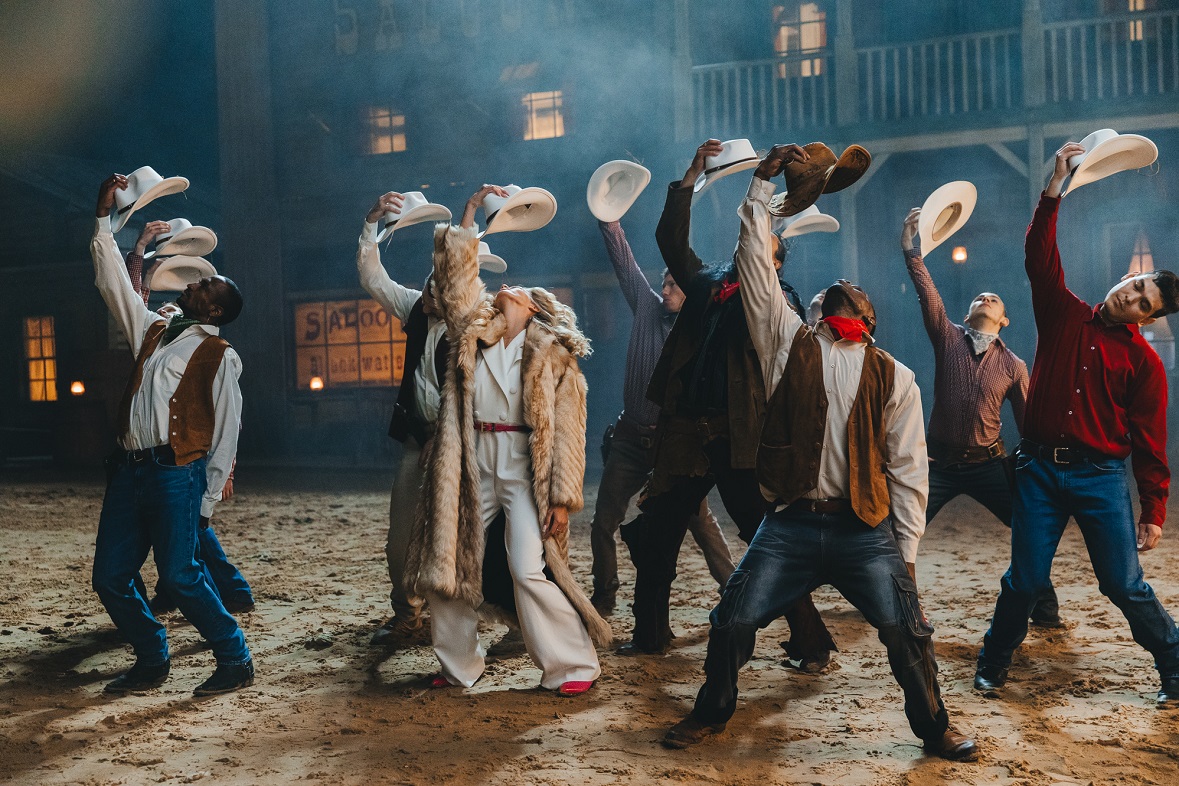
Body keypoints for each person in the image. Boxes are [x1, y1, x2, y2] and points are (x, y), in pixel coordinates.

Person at [661, 145, 977, 760]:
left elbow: (909, 471)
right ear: (814, 311)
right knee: (732, 618)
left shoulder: (896, 376)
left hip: (863, 527)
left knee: (907, 629)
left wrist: (907, 553)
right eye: (835, 291)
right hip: (790, 524)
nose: (844, 288)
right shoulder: (786, 344)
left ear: (870, 316)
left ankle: (934, 726)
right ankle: (712, 711)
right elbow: (755, 268)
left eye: (855, 292)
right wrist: (759, 186)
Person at [974, 142, 1179, 707]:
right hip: (1039, 471)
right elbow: (1039, 255)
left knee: (1123, 584)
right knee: (1024, 579)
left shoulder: (1143, 363)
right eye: (1135, 284)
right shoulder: (1061, 312)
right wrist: (1054, 187)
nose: (1131, 296)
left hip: (1100, 478)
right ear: (1127, 278)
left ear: (1149, 318)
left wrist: (1153, 510)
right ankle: (993, 661)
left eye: (1144, 302)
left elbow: (1151, 443)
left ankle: (1174, 664)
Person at [618, 139, 834, 665]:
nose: (749, 249)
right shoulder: (709, 281)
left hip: (742, 434)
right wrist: (692, 174)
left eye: (761, 248)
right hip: (687, 431)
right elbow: (669, 240)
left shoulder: (779, 299)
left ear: (773, 263)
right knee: (657, 533)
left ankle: (810, 640)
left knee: (766, 538)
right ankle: (650, 635)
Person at [403, 185, 609, 695]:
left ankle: (572, 666)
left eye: (519, 289)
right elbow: (455, 285)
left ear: (535, 308)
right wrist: (470, 214)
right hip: (471, 465)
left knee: (527, 568)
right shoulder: (473, 334)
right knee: (449, 567)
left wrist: (561, 499)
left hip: (523, 470)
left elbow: (569, 434)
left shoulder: (555, 356)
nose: (507, 287)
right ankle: (459, 667)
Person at [90, 173, 253, 696]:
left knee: (181, 575)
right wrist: (104, 222)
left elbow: (226, 432)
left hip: (176, 473)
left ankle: (235, 657)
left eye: (206, 285)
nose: (195, 282)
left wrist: (207, 498)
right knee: (109, 576)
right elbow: (114, 284)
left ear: (215, 310)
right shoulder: (155, 329)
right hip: (130, 468)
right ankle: (152, 655)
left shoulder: (219, 354)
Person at [899, 209, 1060, 627]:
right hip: (938, 464)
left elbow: (1029, 424)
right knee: (901, 530)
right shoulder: (947, 336)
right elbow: (928, 293)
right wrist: (911, 250)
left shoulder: (1014, 365)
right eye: (978, 298)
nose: (985, 298)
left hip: (989, 464)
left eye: (994, 299)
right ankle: (894, 603)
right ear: (967, 315)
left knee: (1028, 531)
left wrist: (1034, 470)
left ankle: (1045, 609)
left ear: (1004, 320)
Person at [589, 216, 735, 616]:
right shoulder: (646, 310)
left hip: (673, 447)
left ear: (691, 293)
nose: (665, 290)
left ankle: (734, 589)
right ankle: (604, 595)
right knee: (603, 520)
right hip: (630, 439)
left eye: (674, 285)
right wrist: (611, 223)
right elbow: (625, 265)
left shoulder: (702, 331)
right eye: (664, 283)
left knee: (700, 521)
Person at [122, 221, 254, 616]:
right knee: (182, 527)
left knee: (190, 526)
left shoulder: (196, 333)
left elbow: (225, 416)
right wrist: (141, 255)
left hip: (183, 449)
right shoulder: (170, 318)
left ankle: (228, 591)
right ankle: (186, 590)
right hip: (166, 442)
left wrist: (225, 472)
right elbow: (132, 299)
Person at [356, 190, 450, 647]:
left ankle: (462, 619)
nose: (428, 291)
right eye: (429, 284)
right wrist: (371, 223)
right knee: (401, 536)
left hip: (460, 445)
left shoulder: (474, 324)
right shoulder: (415, 306)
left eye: (437, 286)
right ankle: (408, 614)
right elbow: (373, 277)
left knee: (460, 536)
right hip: (417, 438)